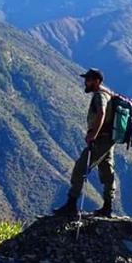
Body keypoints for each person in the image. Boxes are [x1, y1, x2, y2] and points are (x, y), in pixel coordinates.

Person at [53, 68, 116, 218]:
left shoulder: (100, 96)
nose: (85, 82)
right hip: (109, 139)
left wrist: (93, 134)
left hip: (101, 139)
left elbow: (101, 113)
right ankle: (108, 207)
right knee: (107, 171)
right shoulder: (107, 95)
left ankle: (71, 204)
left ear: (97, 81)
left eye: (88, 80)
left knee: (80, 168)